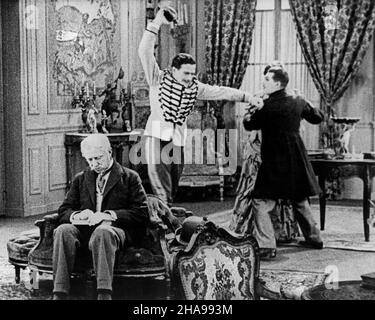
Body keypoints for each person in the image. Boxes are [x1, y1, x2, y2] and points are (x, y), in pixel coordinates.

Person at [138, 6, 263, 207]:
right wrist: (157, 22)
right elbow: (144, 51)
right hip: (155, 137)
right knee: (162, 190)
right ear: (173, 70)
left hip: (177, 139)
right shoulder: (158, 79)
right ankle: (165, 226)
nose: (190, 78)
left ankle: (166, 219)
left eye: (192, 73)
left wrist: (248, 97)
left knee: (173, 187)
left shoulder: (196, 87)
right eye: (185, 73)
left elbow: (221, 91)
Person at [52, 134, 149, 300]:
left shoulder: (130, 177)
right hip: (85, 230)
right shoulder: (81, 179)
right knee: (63, 230)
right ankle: (59, 293)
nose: (93, 164)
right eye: (89, 160)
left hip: (115, 231)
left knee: (103, 231)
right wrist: (78, 215)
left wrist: (108, 215)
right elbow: (64, 211)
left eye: (98, 158)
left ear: (109, 152)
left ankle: (104, 293)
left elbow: (141, 213)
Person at [243, 67, 324, 258]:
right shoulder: (298, 100)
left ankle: (266, 245)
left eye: (267, 80)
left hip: (274, 159)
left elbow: (249, 124)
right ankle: (315, 238)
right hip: (296, 157)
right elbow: (317, 117)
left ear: (277, 83)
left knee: (261, 201)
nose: (263, 82)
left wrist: (250, 112)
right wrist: (306, 102)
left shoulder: (266, 105)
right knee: (299, 198)